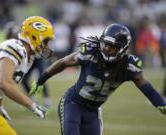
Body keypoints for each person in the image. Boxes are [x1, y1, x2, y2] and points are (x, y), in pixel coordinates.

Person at [30, 23, 166, 135]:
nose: (106, 48)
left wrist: (161, 103)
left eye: (112, 46)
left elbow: (146, 87)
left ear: (123, 48)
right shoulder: (90, 54)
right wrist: (41, 79)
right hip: (73, 103)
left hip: (93, 111)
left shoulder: (129, 66)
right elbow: (64, 62)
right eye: (105, 44)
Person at [0, 16, 54, 135]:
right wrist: (32, 105)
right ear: (34, 36)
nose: (46, 45)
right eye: (46, 41)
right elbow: (4, 83)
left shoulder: (27, 56)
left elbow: (0, 78)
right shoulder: (15, 47)